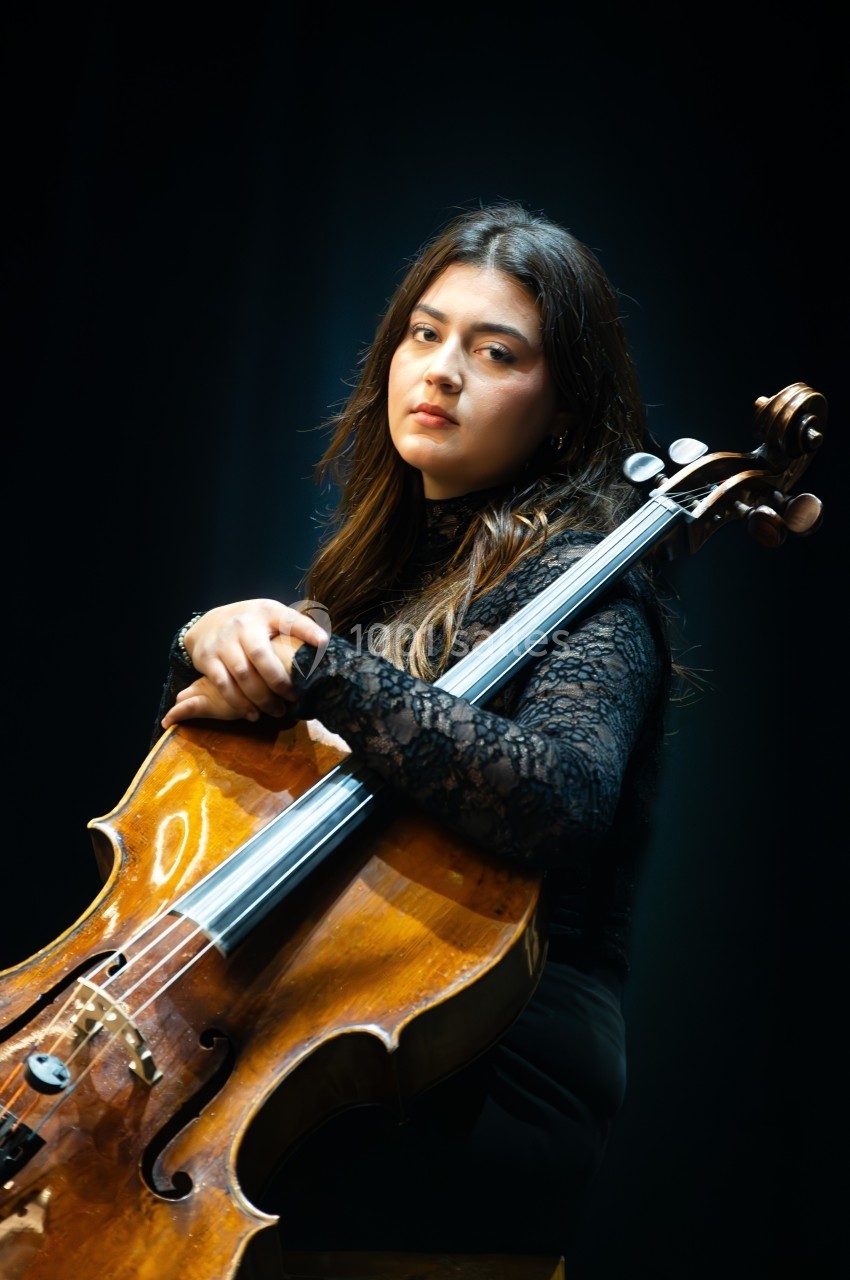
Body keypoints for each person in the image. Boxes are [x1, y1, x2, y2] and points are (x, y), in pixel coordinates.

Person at [155, 201, 672, 1263]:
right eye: (424, 334)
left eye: (495, 352)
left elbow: (559, 793)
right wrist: (208, 641)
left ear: (564, 409)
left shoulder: (591, 593)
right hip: (341, 1015)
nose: (440, 370)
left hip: (482, 1057)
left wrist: (317, 670)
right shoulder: (374, 577)